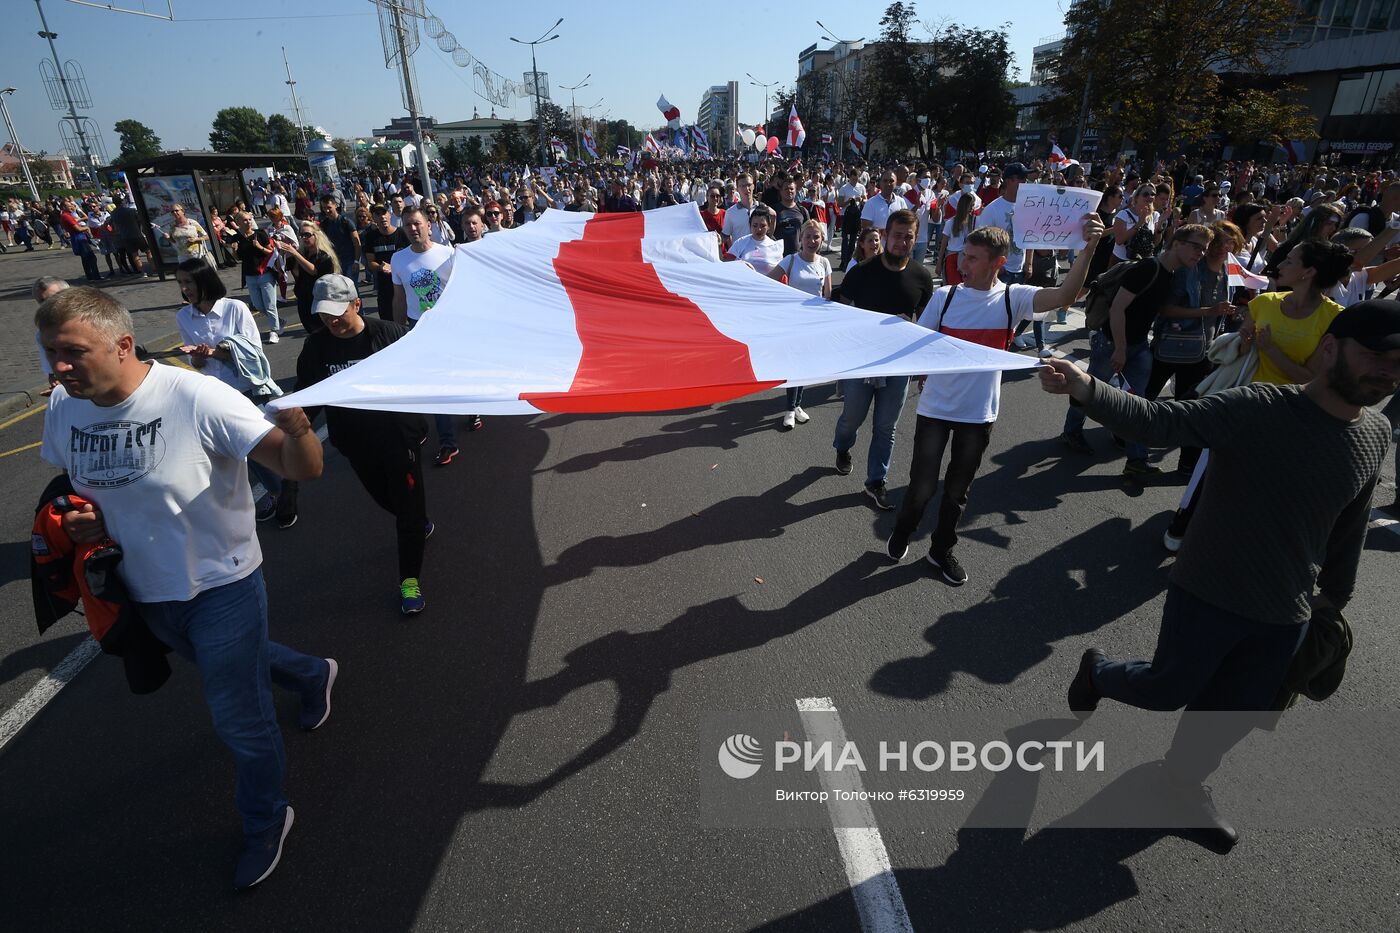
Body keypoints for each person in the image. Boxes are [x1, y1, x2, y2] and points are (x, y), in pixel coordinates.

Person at [1047, 299, 1399, 851]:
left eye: (1399, 363)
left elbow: (1349, 524)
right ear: (1330, 347)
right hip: (1208, 589)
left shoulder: (1376, 434)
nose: (1388, 371)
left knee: (1228, 716)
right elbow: (1162, 423)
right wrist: (1085, 386)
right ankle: (1100, 672)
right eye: (1377, 355)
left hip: (1287, 614)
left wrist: (1336, 598)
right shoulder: (1259, 407)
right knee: (1168, 690)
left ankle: (1180, 784)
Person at [36, 286, 334, 891]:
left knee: (239, 721)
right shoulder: (65, 408)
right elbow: (82, 484)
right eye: (50, 354)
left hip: (219, 586)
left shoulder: (196, 397)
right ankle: (310, 673)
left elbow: (302, 467)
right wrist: (87, 520)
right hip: (137, 591)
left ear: (122, 345)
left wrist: (300, 430)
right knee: (236, 671)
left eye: (72, 352)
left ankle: (265, 820)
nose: (58, 368)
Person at [887, 217, 1105, 585]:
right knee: (922, 487)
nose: (962, 264)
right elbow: (918, 346)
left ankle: (940, 551)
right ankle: (903, 531)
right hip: (935, 410)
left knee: (957, 491)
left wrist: (1088, 250)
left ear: (997, 263)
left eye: (972, 258)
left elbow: (1065, 296)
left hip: (978, 414)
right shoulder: (945, 296)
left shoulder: (1012, 297)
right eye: (963, 256)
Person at [295, 275, 433, 614]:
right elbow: (308, 396)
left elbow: (426, 370)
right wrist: (292, 426)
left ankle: (409, 581)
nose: (332, 322)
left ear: (357, 304)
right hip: (355, 443)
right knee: (388, 501)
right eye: (324, 315)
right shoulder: (316, 348)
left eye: (337, 313)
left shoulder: (389, 335)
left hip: (399, 441)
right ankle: (416, 519)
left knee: (408, 514)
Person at [1060, 224, 1216, 475]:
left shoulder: (1173, 273)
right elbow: (1117, 309)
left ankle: (1136, 461)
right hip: (1111, 343)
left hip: (1139, 345)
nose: (1200, 253)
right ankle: (1072, 431)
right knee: (1088, 390)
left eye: (1204, 250)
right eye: (1196, 247)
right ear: (1177, 243)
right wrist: (1120, 349)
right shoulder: (1148, 268)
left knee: (1138, 403)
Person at [174, 258, 294, 527]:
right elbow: (198, 363)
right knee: (239, 451)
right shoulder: (184, 317)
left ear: (204, 280)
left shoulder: (235, 309)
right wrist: (199, 357)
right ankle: (279, 491)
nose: (185, 289)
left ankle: (282, 491)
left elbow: (254, 353)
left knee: (260, 445)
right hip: (214, 394)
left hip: (246, 389)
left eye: (189, 282)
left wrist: (215, 352)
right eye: (181, 283)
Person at [832, 208, 934, 509]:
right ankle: (842, 446)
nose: (902, 242)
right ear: (886, 236)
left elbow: (928, 325)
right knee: (852, 418)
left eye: (909, 237)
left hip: (899, 365)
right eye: (897, 236)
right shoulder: (861, 272)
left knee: (886, 427)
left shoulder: (921, 277)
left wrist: (912, 330)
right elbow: (838, 314)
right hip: (861, 361)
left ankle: (876, 481)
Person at [391, 205, 462, 466]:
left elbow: (461, 292)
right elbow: (399, 298)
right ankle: (448, 442)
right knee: (435, 384)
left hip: (450, 326)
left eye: (417, 224)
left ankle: (471, 407)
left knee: (458, 377)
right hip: (419, 326)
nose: (413, 229)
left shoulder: (449, 254)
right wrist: (398, 330)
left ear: (428, 225)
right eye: (408, 225)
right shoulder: (398, 259)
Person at [768, 220, 832, 430]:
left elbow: (827, 297)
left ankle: (797, 405)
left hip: (814, 323)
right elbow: (768, 282)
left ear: (822, 239)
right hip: (793, 322)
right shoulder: (791, 260)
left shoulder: (824, 263)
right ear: (800, 239)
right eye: (808, 236)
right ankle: (789, 408)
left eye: (817, 237)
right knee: (793, 365)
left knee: (805, 365)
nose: (812, 241)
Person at [279, 219, 340, 334]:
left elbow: (314, 271)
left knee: (324, 332)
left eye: (307, 235)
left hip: (320, 300)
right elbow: (281, 268)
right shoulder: (302, 254)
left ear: (316, 235)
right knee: (312, 332)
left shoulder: (324, 255)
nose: (304, 238)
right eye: (301, 235)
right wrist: (282, 253)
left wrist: (295, 253)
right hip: (304, 300)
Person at [231, 212, 283, 343]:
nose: (248, 222)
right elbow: (238, 258)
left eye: (249, 219)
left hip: (264, 273)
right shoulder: (237, 238)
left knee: (270, 305)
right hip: (250, 275)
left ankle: (274, 331)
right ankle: (279, 321)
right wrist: (234, 251)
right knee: (258, 305)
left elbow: (271, 252)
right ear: (238, 223)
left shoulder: (259, 234)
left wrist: (259, 247)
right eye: (244, 220)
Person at [361, 204, 408, 321]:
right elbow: (370, 262)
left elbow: (412, 258)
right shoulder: (371, 237)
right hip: (384, 285)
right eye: (378, 214)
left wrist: (395, 268)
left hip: (404, 283)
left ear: (389, 214)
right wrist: (380, 267)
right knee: (388, 319)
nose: (382, 217)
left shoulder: (402, 234)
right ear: (374, 218)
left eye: (384, 213)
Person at [725, 205, 783, 275]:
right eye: (755, 225)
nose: (759, 229)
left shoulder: (775, 246)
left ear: (768, 227)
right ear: (750, 225)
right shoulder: (740, 242)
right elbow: (726, 262)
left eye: (762, 226)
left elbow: (780, 274)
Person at [939, 190, 979, 286]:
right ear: (964, 205)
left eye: (973, 205)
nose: (972, 208)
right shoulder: (951, 222)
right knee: (954, 288)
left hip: (968, 257)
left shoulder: (975, 221)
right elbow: (943, 244)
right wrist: (939, 263)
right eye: (970, 205)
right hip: (952, 258)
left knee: (968, 287)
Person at [318, 195, 360, 280]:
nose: (327, 210)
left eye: (329, 207)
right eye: (324, 208)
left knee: (350, 288)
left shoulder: (346, 222)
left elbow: (357, 243)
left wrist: (356, 261)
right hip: (334, 262)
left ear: (335, 205)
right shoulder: (324, 224)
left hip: (349, 261)